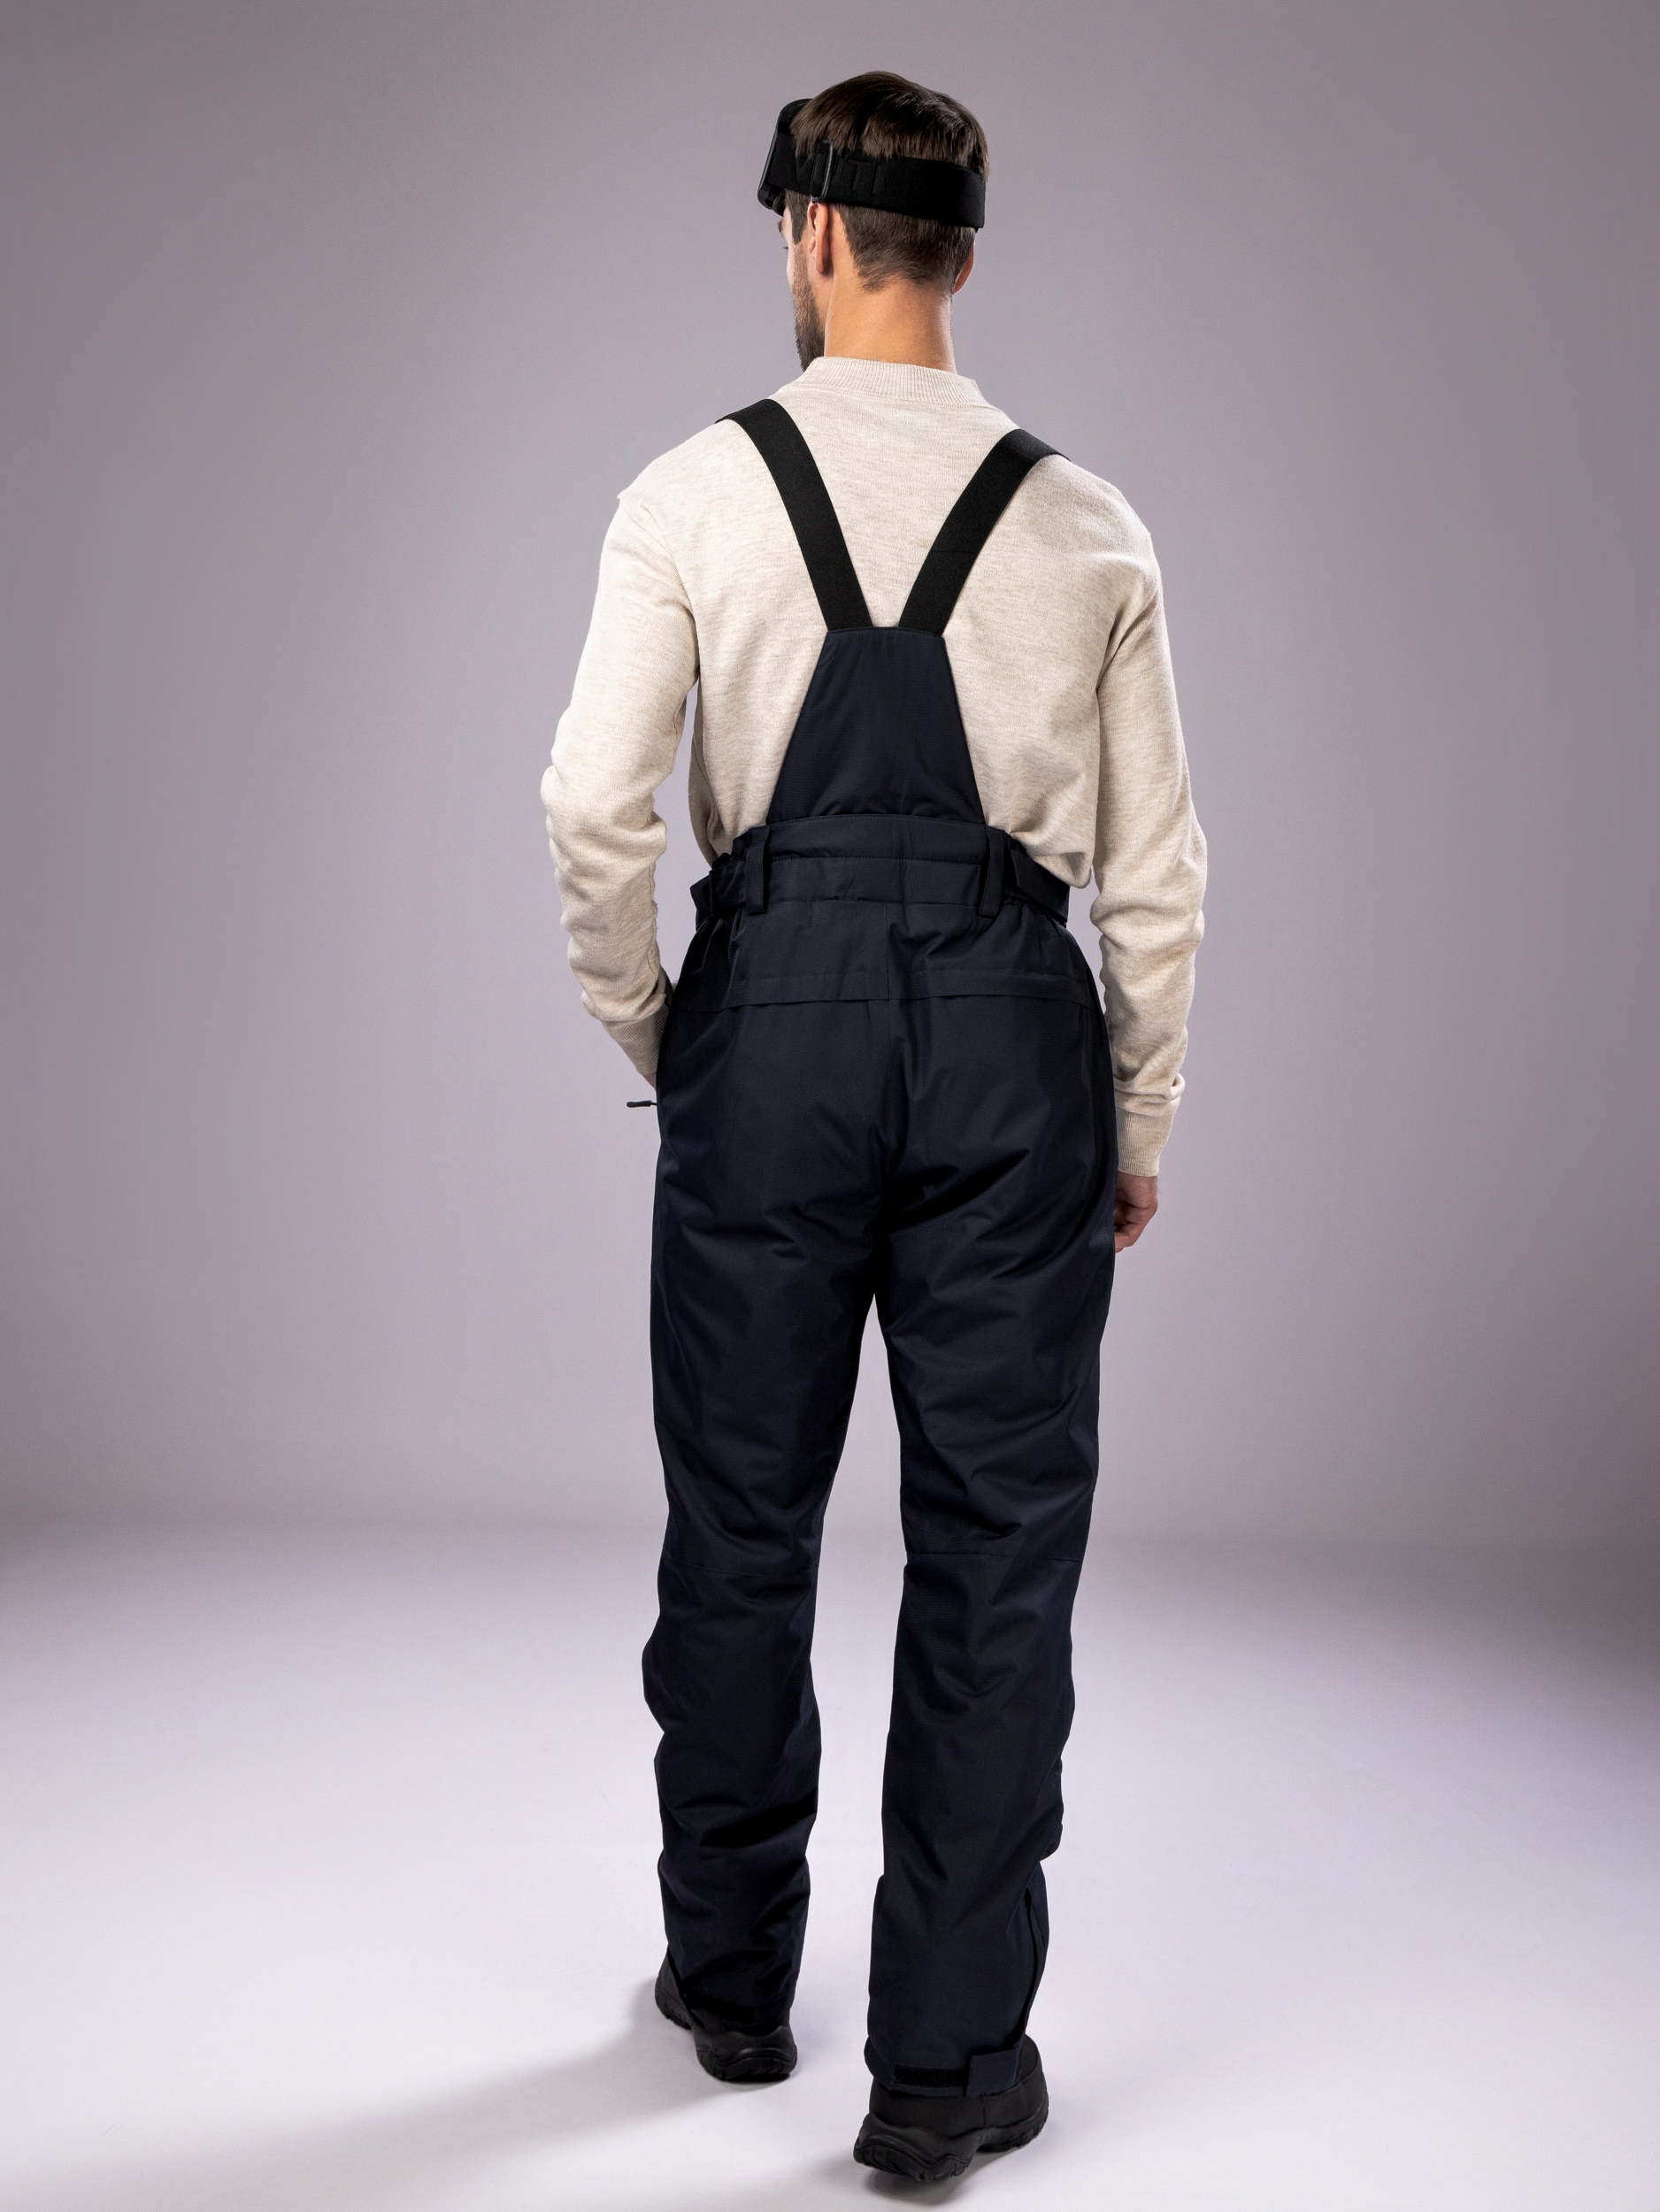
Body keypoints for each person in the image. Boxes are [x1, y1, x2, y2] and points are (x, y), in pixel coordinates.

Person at [541, 71, 1206, 2184]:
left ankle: (731, 1977)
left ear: (813, 235)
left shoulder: (689, 494)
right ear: (963, 252)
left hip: (769, 1037)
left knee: (740, 1520)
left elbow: (590, 808)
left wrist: (667, 1032)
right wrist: (1130, 1112)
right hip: (1013, 1041)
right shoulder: (1087, 523)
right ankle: (943, 2065)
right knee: (995, 1556)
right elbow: (1158, 880)